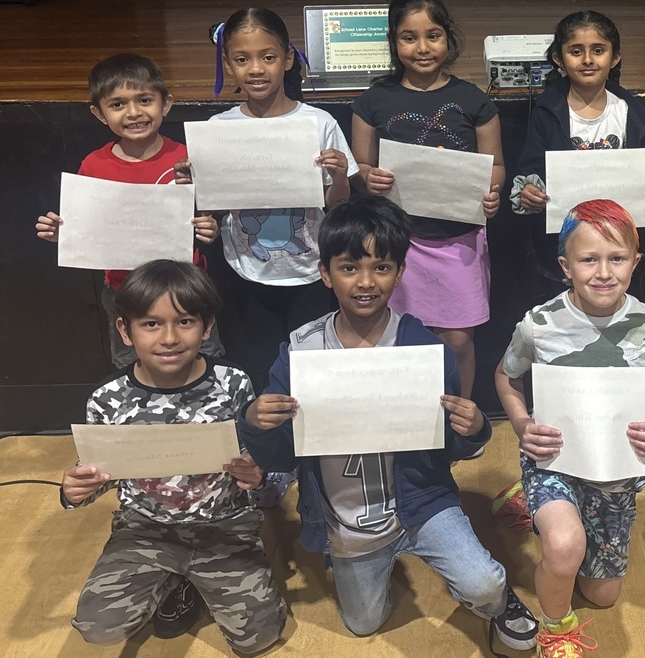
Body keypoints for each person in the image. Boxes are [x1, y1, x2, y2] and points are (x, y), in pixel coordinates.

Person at [237, 196, 539, 651]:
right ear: (325, 273)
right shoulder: (301, 352)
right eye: (349, 267)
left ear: (400, 273)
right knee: (363, 624)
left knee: (484, 585)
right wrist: (255, 423)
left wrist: (473, 427)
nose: (365, 281)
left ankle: (497, 598)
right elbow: (283, 456)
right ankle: (369, 561)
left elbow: (447, 447)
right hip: (347, 515)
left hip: (422, 503)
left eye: (381, 267)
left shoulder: (425, 350)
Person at [61, 260, 286, 653]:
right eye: (151, 324)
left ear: (207, 326)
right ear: (125, 331)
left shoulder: (233, 383)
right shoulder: (106, 399)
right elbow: (99, 477)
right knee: (97, 628)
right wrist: (74, 491)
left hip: (224, 526)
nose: (169, 338)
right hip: (144, 529)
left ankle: (194, 578)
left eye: (185, 322)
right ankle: (174, 577)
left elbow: (252, 457)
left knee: (257, 639)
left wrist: (256, 474)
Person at [495, 200, 645, 657]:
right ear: (565, 267)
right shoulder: (540, 325)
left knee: (602, 595)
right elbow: (506, 376)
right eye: (589, 259)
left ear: (636, 261)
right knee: (564, 547)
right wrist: (522, 424)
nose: (604, 272)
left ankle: (533, 504)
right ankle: (555, 627)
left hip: (615, 471)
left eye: (617, 258)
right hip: (553, 460)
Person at [176, 7, 358, 392]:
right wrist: (192, 184)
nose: (256, 69)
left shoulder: (319, 122)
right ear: (228, 63)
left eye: (268, 57)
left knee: (312, 372)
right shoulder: (219, 128)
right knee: (257, 370)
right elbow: (210, 208)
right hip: (246, 271)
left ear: (288, 59)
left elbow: (337, 206)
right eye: (242, 59)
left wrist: (341, 175)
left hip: (310, 272)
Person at [350, 0, 504, 404]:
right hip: (398, 243)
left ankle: (460, 417)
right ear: (394, 42)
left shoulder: (473, 101)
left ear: (448, 39)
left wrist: (492, 193)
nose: (422, 47)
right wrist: (367, 178)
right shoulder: (373, 101)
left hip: (459, 242)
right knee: (398, 338)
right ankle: (404, 416)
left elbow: (496, 167)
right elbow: (359, 167)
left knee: (458, 339)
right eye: (409, 37)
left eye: (432, 36)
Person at [35, 53, 223, 368]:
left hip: (185, 285)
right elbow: (87, 226)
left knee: (204, 360)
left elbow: (209, 214)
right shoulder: (94, 165)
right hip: (124, 288)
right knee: (130, 363)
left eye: (145, 100)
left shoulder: (188, 158)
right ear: (99, 113)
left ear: (166, 104)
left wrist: (210, 229)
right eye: (118, 104)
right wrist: (63, 234)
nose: (134, 113)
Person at [510, 10, 645, 284]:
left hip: (618, 241)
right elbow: (530, 169)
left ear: (615, 57)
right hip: (566, 243)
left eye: (598, 50)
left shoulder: (630, 111)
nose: (587, 60)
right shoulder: (548, 112)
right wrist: (529, 192)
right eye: (576, 51)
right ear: (559, 59)